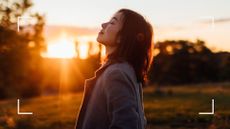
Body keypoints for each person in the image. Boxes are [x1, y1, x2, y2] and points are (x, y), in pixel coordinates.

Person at [75, 8, 153, 129]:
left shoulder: (116, 73)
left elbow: (127, 124)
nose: (103, 24)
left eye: (112, 22)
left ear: (121, 38)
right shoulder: (126, 69)